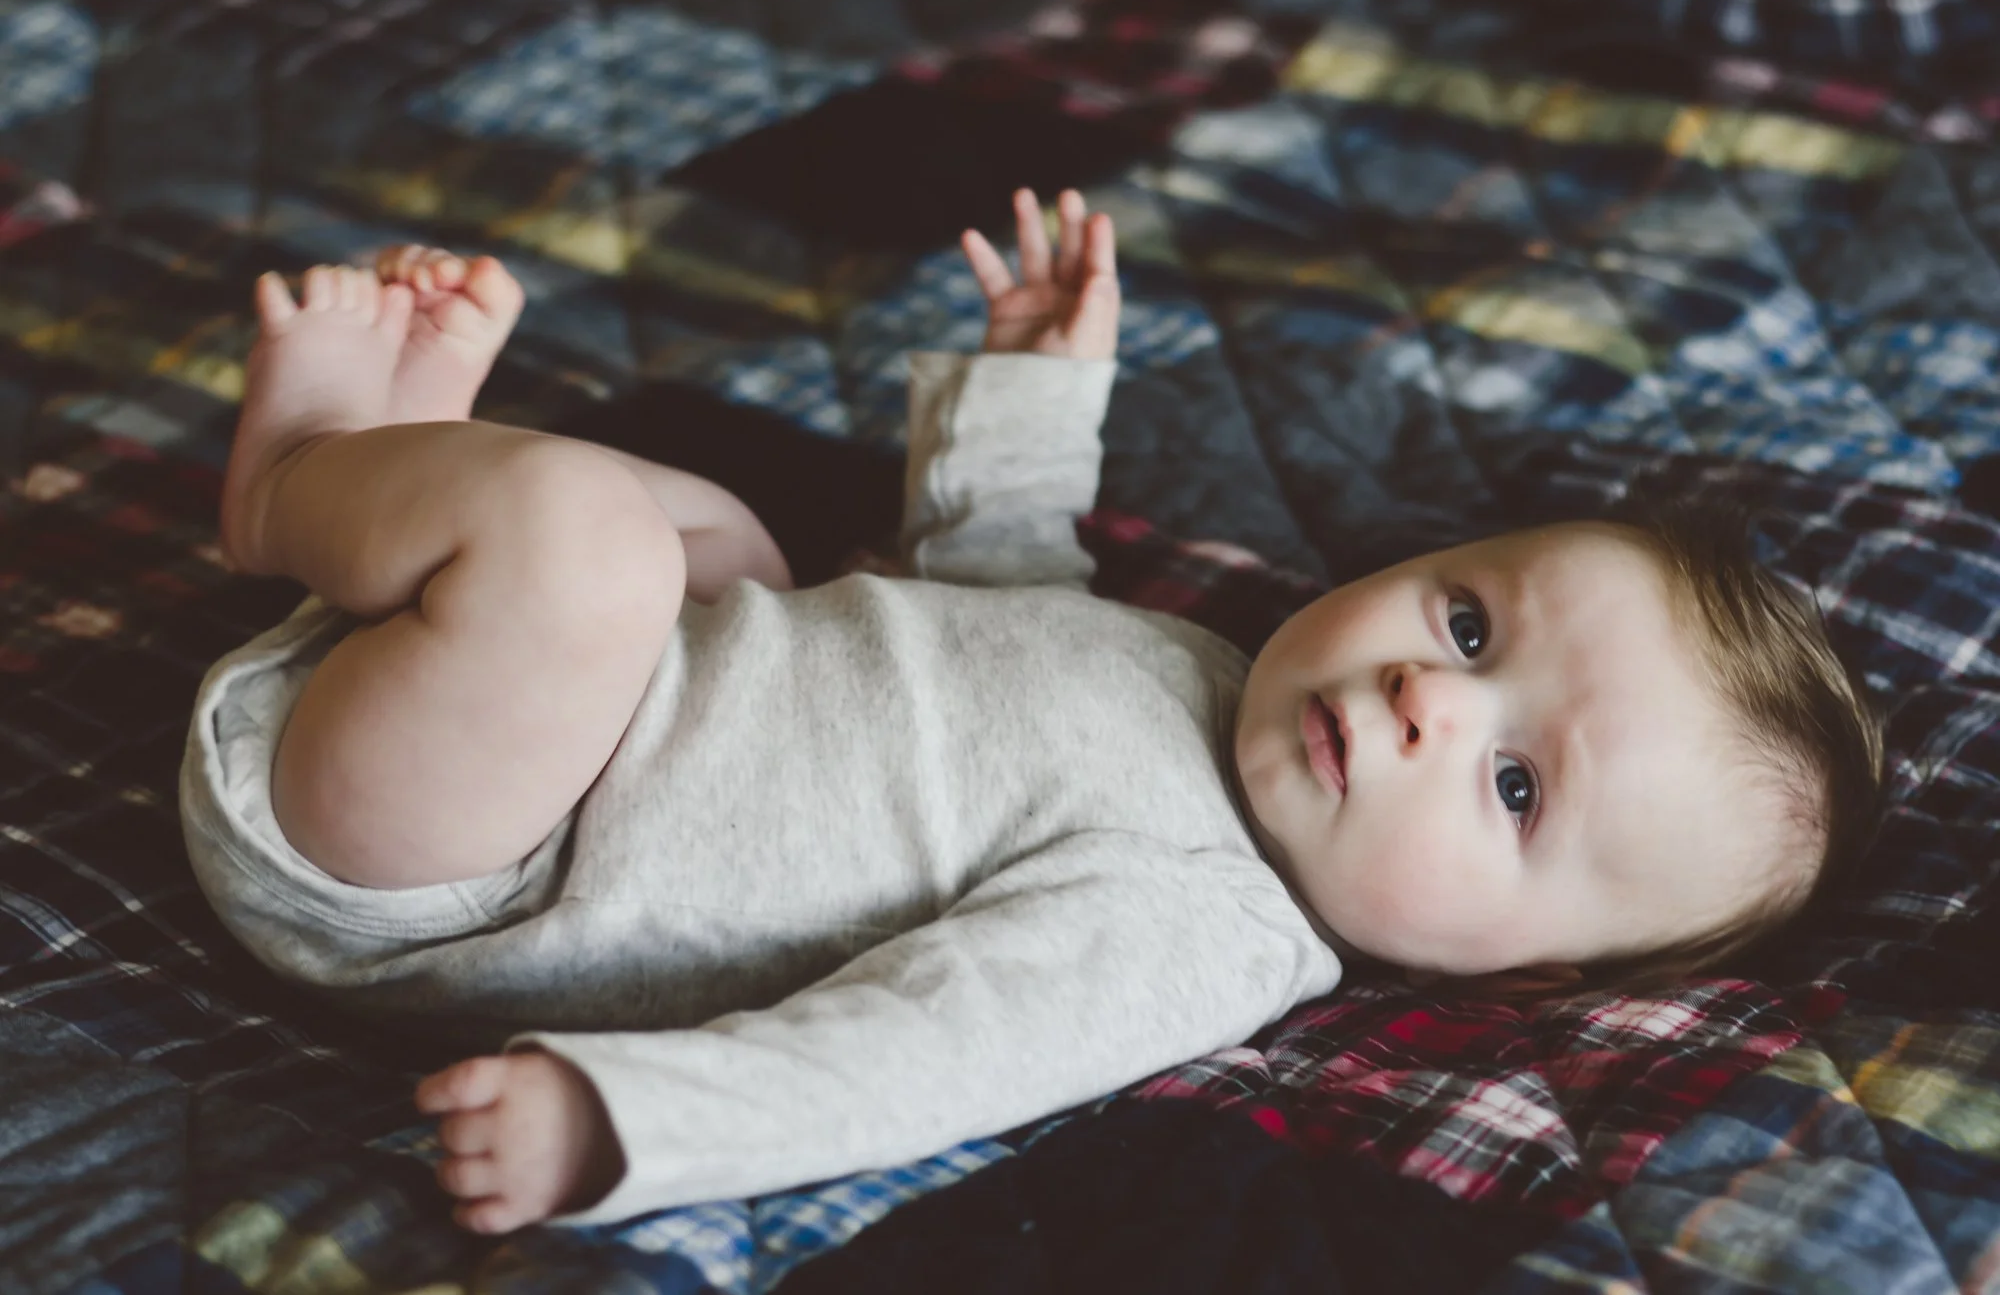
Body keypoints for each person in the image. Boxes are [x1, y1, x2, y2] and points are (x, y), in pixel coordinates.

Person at [180, 189, 1882, 1235]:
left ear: (1531, 978)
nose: (1431, 699)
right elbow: (992, 604)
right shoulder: (1211, 684)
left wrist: (627, 1128)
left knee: (590, 542)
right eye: (1466, 618)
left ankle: (300, 489)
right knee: (733, 547)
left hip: (440, 861)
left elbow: (920, 1056)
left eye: (1516, 789)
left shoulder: (1197, 937)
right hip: (553, 716)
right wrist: (1034, 399)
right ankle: (411, 519)